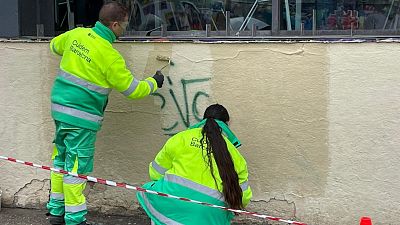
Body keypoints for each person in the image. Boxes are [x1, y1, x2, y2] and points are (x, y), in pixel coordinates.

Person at [46, 2, 164, 225]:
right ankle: (74, 218)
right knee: (77, 168)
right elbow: (132, 90)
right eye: (125, 25)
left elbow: (53, 46)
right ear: (115, 24)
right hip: (82, 116)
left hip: (60, 109)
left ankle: (55, 209)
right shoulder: (109, 56)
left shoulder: (77, 34)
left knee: (60, 159)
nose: (126, 30)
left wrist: (78, 52)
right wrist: (154, 82)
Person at [137, 104, 252, 225]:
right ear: (227, 124)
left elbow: (155, 173)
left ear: (203, 119)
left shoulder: (180, 138)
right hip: (208, 214)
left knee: (151, 192)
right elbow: (243, 199)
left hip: (172, 202)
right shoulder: (234, 154)